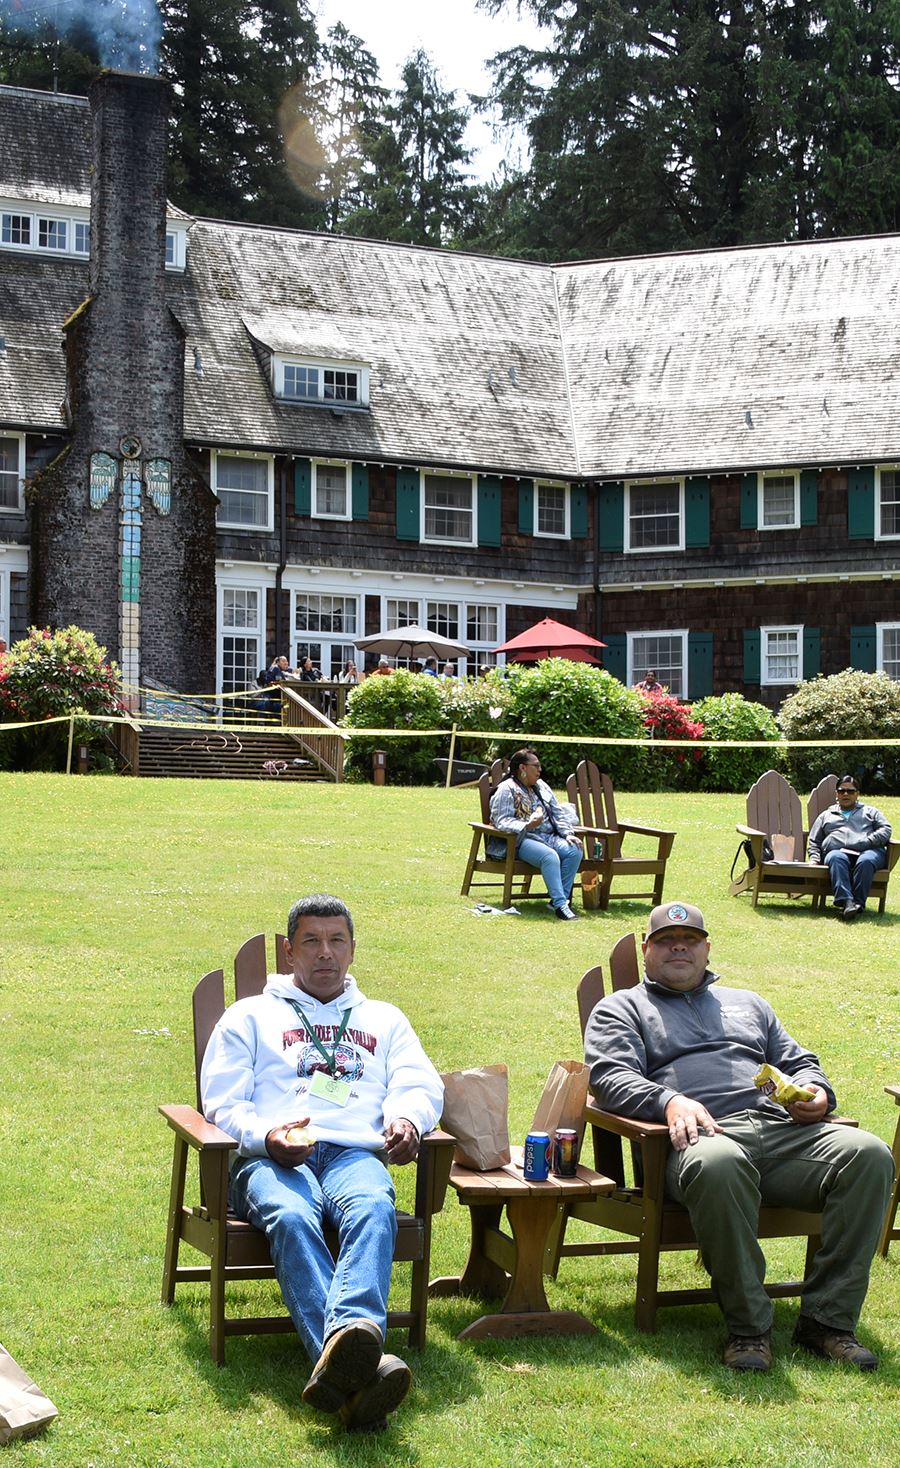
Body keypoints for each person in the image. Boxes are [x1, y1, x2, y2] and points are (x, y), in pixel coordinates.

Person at [584, 901, 894, 1373]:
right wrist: (669, 1101)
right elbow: (607, 1077)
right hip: (697, 1140)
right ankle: (749, 1329)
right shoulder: (622, 1008)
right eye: (666, 941)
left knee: (870, 1154)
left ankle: (827, 1323)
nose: (679, 947)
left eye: (690, 940)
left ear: (707, 949)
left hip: (779, 1131)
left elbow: (799, 1061)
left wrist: (817, 1094)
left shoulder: (748, 1004)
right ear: (647, 951)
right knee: (720, 1163)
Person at [201, 895, 443, 1430]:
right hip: (270, 1157)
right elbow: (220, 1101)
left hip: (354, 1152)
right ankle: (360, 1366)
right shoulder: (250, 1016)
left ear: (353, 950)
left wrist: (406, 1119)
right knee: (291, 1216)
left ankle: (345, 1355)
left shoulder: (385, 1019)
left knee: (373, 1207)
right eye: (311, 941)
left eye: (337, 941)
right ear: (289, 952)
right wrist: (267, 1135)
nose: (325, 953)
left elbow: (419, 1083)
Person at [488, 748, 583, 920]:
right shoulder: (506, 789)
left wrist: (568, 834)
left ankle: (555, 902)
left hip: (549, 836)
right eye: (536, 766)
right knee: (549, 856)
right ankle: (561, 905)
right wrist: (528, 824)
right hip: (523, 839)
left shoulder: (542, 787)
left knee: (573, 850)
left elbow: (557, 813)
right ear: (522, 768)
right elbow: (501, 820)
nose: (540, 770)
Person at [807, 774, 891, 921]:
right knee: (835, 857)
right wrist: (814, 858)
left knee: (866, 860)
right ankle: (847, 902)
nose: (846, 794)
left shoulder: (870, 812)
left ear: (857, 794)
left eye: (851, 791)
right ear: (836, 794)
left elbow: (886, 829)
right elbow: (814, 840)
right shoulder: (826, 815)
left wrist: (869, 840)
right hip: (837, 852)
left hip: (868, 850)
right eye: (842, 791)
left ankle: (858, 903)